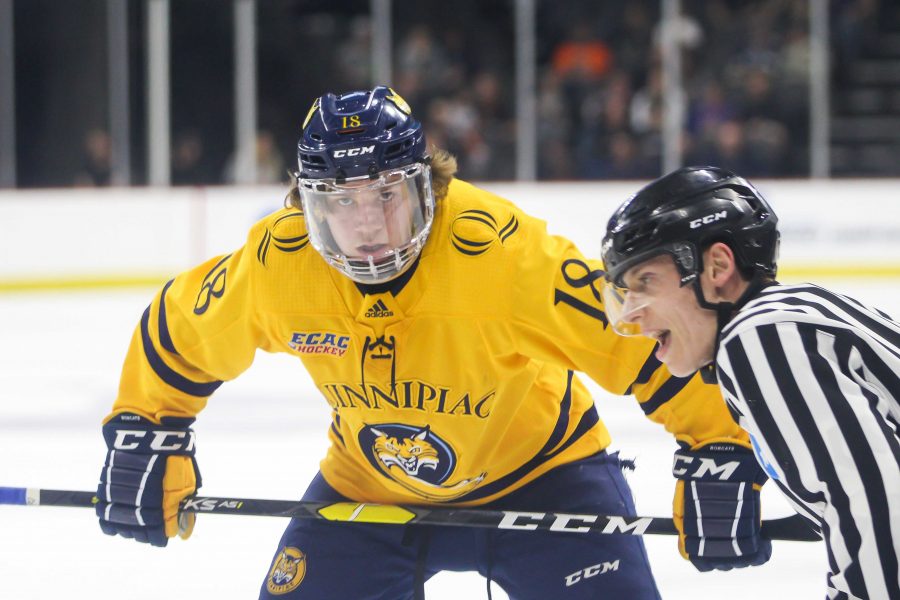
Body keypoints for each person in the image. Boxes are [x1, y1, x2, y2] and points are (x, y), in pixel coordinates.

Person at [94, 88, 762, 600]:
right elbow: (181, 328)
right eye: (339, 203)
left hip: (545, 478)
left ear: (429, 184)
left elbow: (645, 337)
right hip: (371, 487)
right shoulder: (280, 262)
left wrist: (720, 445)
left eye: (388, 195)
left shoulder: (502, 256)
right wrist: (146, 431)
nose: (368, 228)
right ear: (303, 205)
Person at [601, 165, 900, 600]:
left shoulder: (762, 336)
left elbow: (877, 508)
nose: (630, 312)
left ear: (717, 265)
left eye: (645, 281)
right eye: (624, 292)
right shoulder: (789, 318)